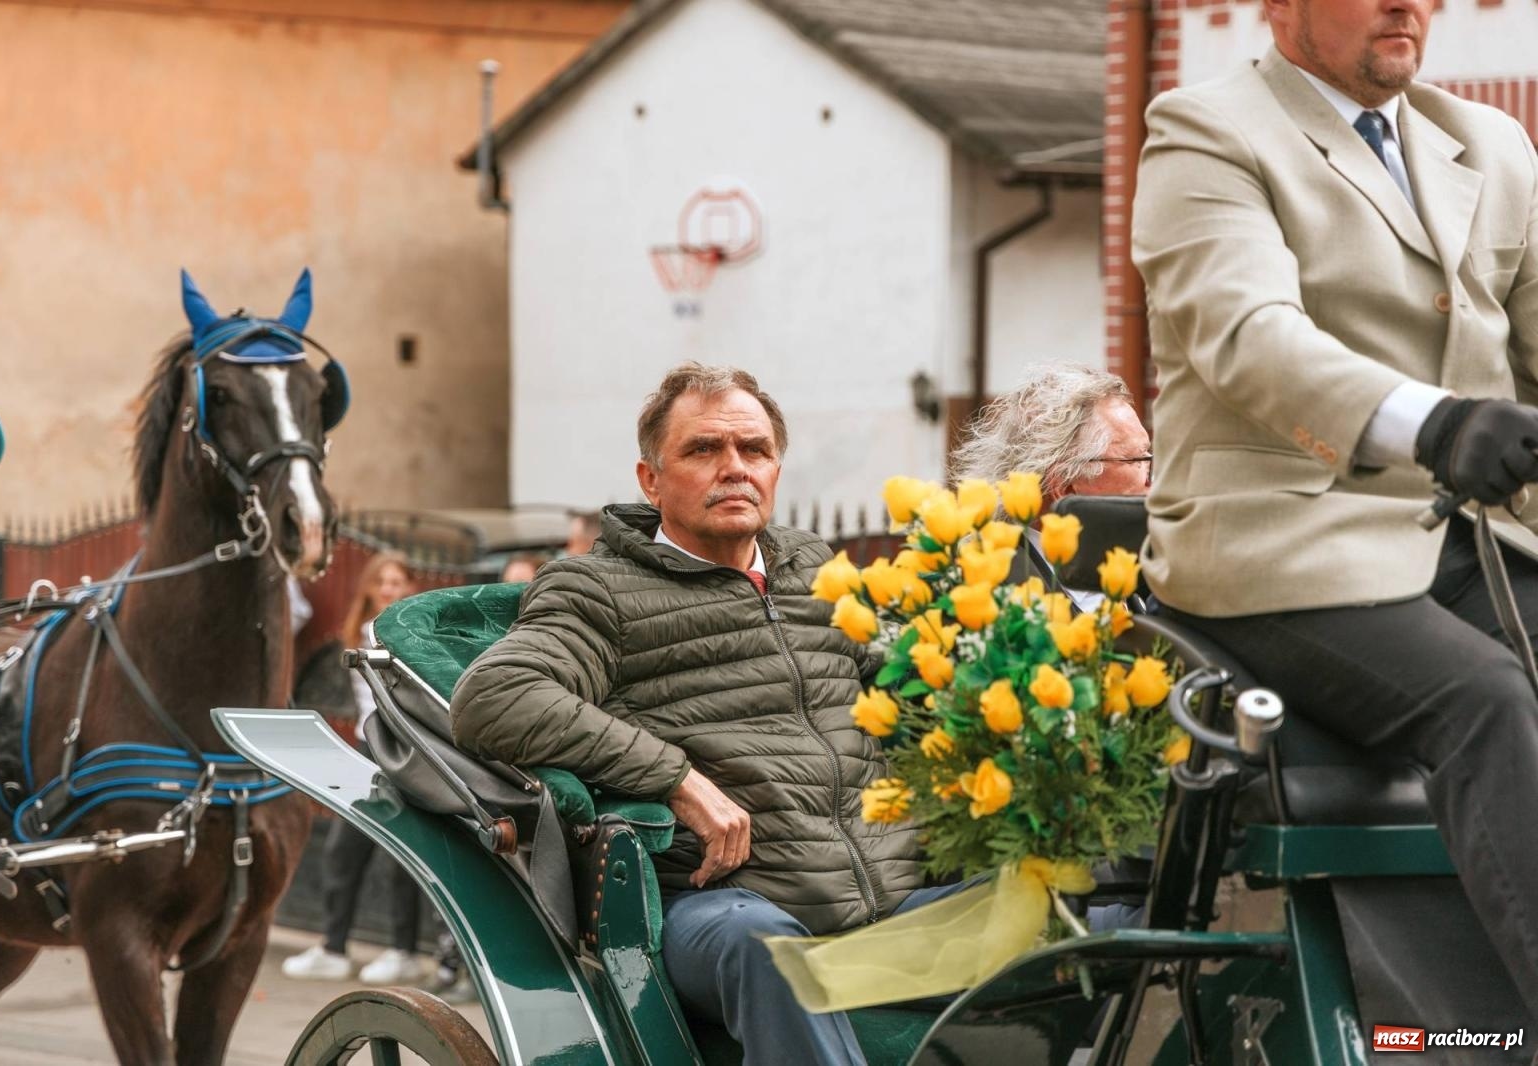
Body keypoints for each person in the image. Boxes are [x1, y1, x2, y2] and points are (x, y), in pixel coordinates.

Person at [1131, 0, 1538, 1023]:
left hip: (1466, 535)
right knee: (1485, 699)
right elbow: (1246, 334)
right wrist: (1435, 423)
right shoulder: (1204, 129)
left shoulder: (1487, 142)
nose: (1409, 5)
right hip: (1280, 538)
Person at [453, 363, 1035, 1065]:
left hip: (895, 899)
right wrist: (678, 778)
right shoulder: (597, 588)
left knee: (1101, 902)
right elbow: (496, 696)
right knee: (767, 947)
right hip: (725, 909)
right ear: (650, 480)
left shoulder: (814, 568)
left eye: (753, 450)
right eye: (704, 450)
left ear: (777, 468)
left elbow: (902, 698)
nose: (734, 468)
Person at [282, 552, 427, 985]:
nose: (387, 589)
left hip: (402, 751)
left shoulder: (410, 634)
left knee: (400, 855)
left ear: (411, 588)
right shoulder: (359, 632)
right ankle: (333, 947)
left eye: (397, 581)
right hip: (366, 750)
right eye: (381, 581)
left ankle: (403, 951)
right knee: (343, 850)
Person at [951, 365, 1151, 612]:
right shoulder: (985, 590)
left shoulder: (1147, 576)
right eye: (1136, 460)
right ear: (1065, 487)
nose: (1152, 481)